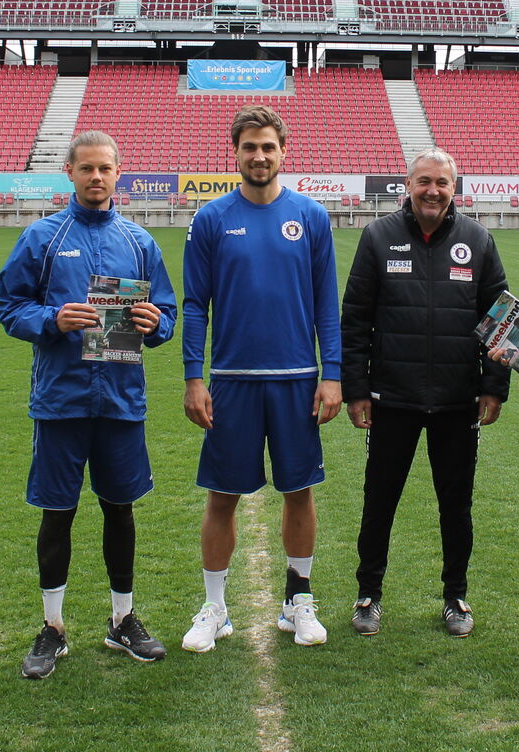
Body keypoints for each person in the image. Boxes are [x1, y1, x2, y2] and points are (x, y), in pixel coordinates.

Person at [0, 131, 179, 678]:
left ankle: (123, 619)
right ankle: (52, 628)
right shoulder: (42, 238)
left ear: (120, 172)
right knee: (59, 511)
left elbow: (165, 314)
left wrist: (155, 323)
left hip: (121, 401)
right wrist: (51, 320)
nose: (96, 178)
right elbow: (9, 305)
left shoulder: (140, 241)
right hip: (61, 402)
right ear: (70, 173)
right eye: (86, 169)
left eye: (105, 169)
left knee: (119, 509)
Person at [180, 105, 343, 651]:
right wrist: (193, 378)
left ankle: (297, 603)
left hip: (298, 378)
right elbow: (195, 305)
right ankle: (216, 608)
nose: (259, 156)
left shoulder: (312, 217)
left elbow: (326, 307)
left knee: (300, 491)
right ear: (236, 152)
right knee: (221, 496)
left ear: (282, 151)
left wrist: (333, 375)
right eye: (249, 147)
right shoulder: (210, 219)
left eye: (268, 146)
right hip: (232, 380)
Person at [341, 147, 509, 637]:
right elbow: (355, 320)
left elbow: (498, 319)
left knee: (456, 506)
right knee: (380, 502)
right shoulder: (378, 237)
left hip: (458, 402)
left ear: (454, 189)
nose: (432, 191)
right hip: (392, 399)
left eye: (442, 183)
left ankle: (456, 596)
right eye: (423, 182)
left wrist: (493, 387)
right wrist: (357, 389)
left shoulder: (478, 241)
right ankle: (368, 593)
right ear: (407, 186)